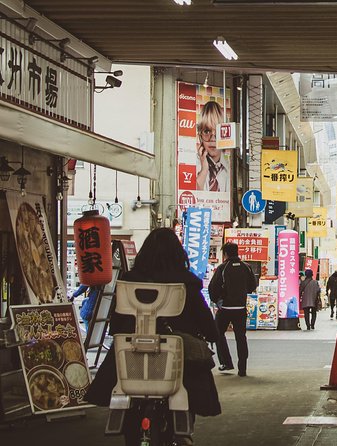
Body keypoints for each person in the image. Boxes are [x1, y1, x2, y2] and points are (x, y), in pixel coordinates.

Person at [84, 228, 221, 445]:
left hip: (132, 365)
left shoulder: (129, 283)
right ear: (179, 255)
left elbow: (117, 328)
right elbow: (210, 330)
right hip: (177, 369)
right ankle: (182, 434)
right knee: (188, 386)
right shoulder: (187, 285)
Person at [208, 242, 257, 377]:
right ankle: (243, 368)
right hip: (240, 308)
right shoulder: (246, 267)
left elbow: (213, 287)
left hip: (225, 308)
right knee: (241, 337)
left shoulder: (223, 268)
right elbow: (252, 284)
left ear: (226, 254)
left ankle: (226, 362)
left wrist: (217, 300)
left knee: (218, 333)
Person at [195, 101, 228, 192]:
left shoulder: (231, 167)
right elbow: (192, 196)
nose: (213, 139)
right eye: (207, 131)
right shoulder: (192, 166)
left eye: (218, 132)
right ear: (200, 135)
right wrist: (204, 169)